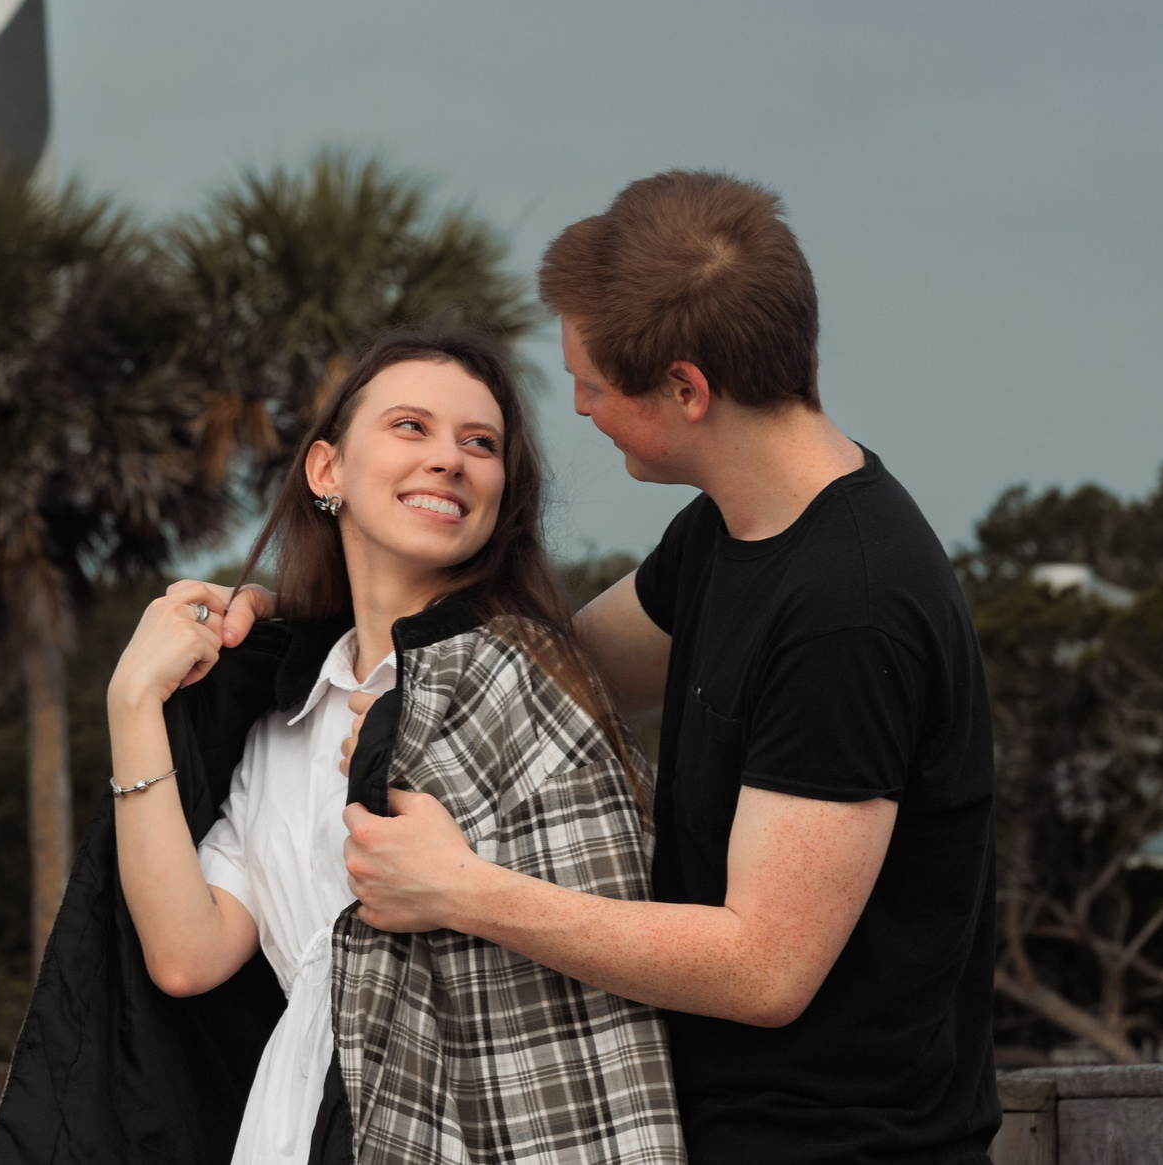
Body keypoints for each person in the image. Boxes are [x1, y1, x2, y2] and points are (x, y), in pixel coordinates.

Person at [223, 173, 1000, 1164]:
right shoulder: (723, 532)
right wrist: (288, 623)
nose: (577, 406)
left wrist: (460, 888)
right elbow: (554, 670)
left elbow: (764, 965)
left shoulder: (851, 605)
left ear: (685, 388)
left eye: (592, 383)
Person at [0, 327, 684, 1165]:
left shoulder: (520, 684)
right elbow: (185, 954)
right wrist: (133, 701)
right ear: (327, 471)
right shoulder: (283, 719)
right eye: (410, 427)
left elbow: (614, 974)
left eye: (481, 443)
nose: (449, 460)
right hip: (291, 1130)